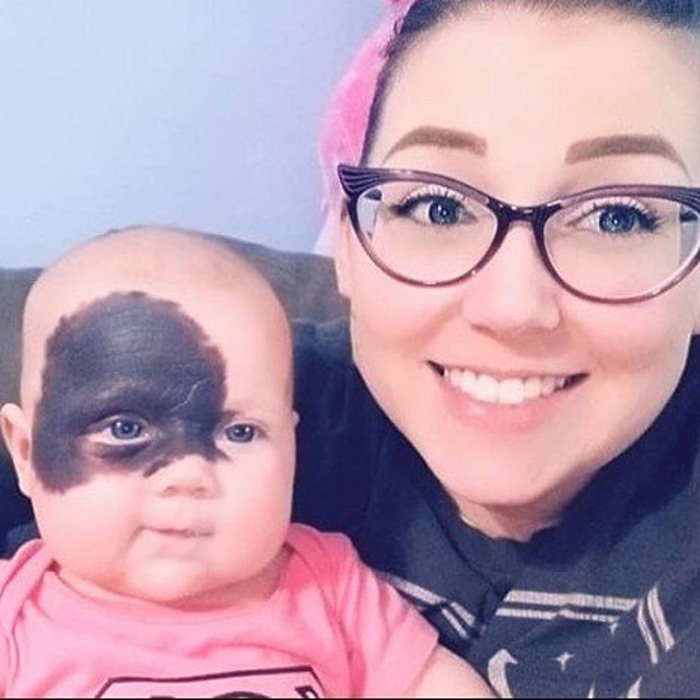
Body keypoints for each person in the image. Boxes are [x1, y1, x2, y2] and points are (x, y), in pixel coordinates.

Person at [291, 0, 700, 697]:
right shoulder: (231, 411)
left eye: (616, 217)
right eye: (438, 207)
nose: (512, 308)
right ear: (349, 243)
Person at [0, 227, 492, 698]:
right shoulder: (12, 613)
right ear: (25, 453)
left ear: (292, 447)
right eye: (125, 429)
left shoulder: (331, 585)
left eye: (239, 433)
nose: (187, 475)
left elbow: (433, 685)